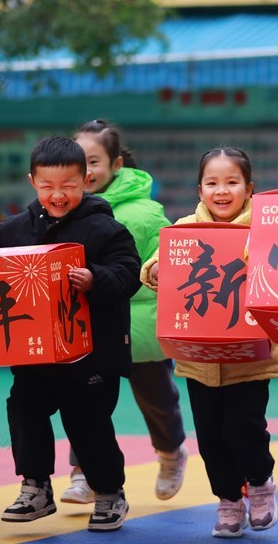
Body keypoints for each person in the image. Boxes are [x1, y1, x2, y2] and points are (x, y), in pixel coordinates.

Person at [0, 136, 141, 532]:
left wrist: (95, 278)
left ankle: (109, 493)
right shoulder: (12, 230)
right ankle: (35, 487)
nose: (58, 195)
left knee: (88, 424)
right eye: (47, 186)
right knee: (23, 409)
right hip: (34, 354)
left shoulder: (106, 229)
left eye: (69, 186)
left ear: (86, 180)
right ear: (32, 182)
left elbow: (129, 274)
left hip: (92, 355)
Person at [141, 147, 278, 538]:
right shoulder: (186, 228)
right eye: (213, 183)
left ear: (249, 188)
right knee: (211, 437)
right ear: (200, 190)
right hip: (198, 359)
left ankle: (259, 484)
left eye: (232, 182)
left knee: (244, 428)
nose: (222, 191)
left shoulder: (266, 228)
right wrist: (153, 270)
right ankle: (228, 500)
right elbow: (156, 261)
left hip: (250, 358)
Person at [58, 119, 187, 504]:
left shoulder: (145, 212)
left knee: (157, 400)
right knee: (84, 400)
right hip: (89, 328)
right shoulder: (64, 209)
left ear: (116, 165)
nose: (87, 170)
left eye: (94, 161)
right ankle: (83, 473)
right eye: (79, 161)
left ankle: (170, 453)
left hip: (140, 327)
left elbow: (169, 259)